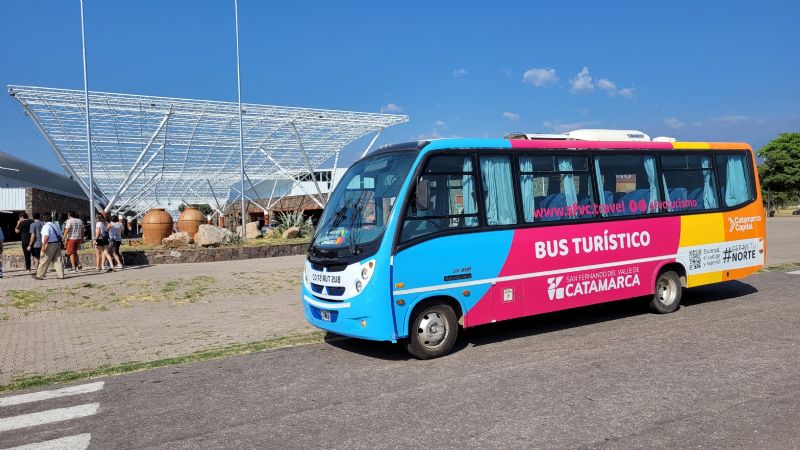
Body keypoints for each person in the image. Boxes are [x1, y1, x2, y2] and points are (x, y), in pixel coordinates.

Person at [34, 213, 64, 280]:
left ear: (44, 220)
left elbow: (46, 236)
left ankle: (39, 275)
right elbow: (60, 235)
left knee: (44, 260)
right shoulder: (55, 225)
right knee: (58, 260)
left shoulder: (46, 226)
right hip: (57, 243)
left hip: (49, 244)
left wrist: (43, 246)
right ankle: (61, 275)